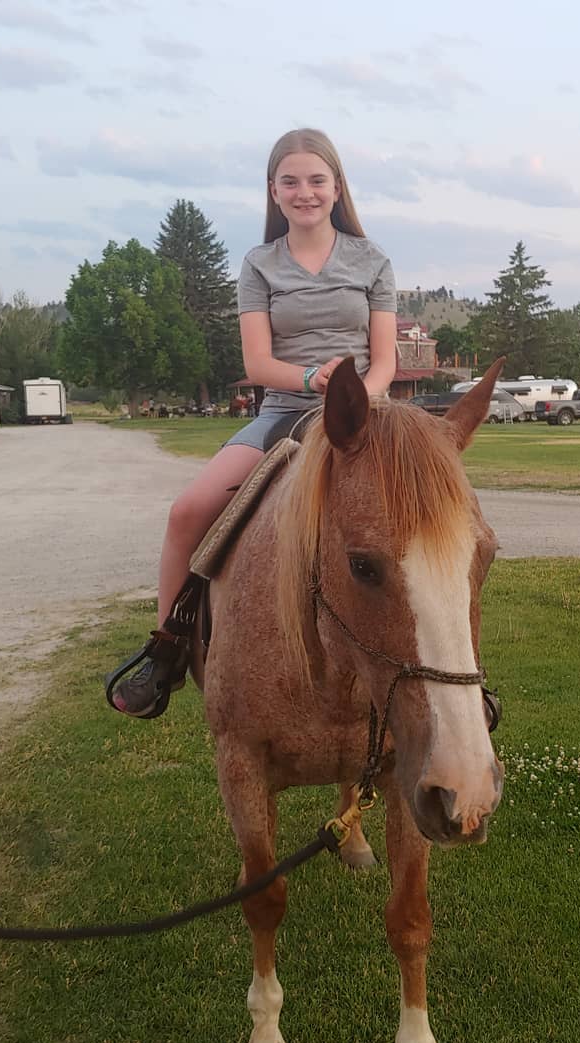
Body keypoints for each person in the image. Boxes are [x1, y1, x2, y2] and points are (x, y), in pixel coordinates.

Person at [109, 128, 398, 717]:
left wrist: (355, 404)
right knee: (187, 511)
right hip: (283, 414)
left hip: (364, 416)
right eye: (290, 181)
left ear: (337, 187)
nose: (304, 192)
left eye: (316, 180)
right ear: (273, 191)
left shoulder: (372, 261)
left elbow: (387, 362)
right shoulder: (260, 265)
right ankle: (166, 650)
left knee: (437, 518)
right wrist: (313, 379)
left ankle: (457, 671)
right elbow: (258, 363)